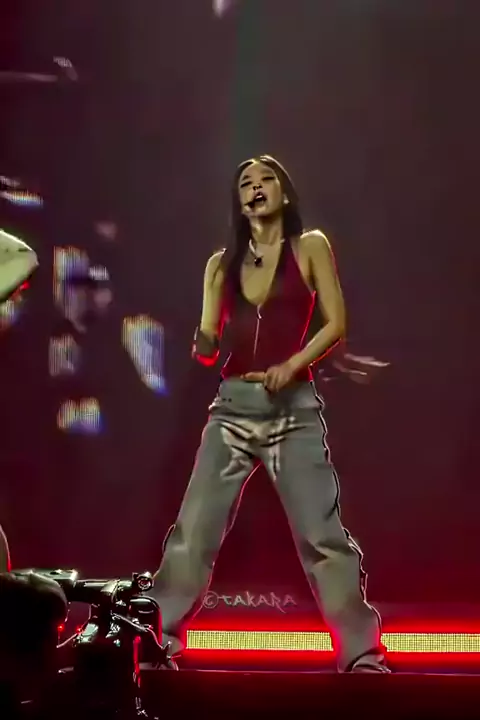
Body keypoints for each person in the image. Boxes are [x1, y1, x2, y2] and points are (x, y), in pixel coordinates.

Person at [151, 155, 388, 673]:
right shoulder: (221, 264)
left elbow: (335, 324)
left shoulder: (310, 246)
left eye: (266, 180)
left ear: (284, 193)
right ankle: (155, 641)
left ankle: (362, 654)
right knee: (194, 530)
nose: (255, 188)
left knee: (323, 535)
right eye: (245, 183)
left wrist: (293, 364)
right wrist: (203, 340)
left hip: (293, 409)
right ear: (238, 202)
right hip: (233, 407)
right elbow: (209, 345)